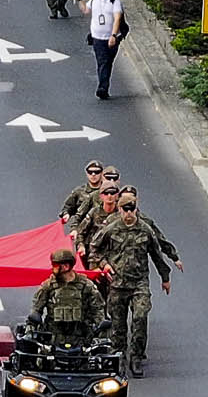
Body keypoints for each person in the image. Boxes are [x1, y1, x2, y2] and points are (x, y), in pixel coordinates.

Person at [85, 191, 180, 377]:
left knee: (140, 317)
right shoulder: (111, 228)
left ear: (136, 209)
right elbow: (94, 249)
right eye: (126, 209)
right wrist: (104, 265)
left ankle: (136, 357)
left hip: (139, 283)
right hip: (117, 284)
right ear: (120, 209)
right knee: (118, 324)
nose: (129, 213)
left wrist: (165, 277)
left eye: (132, 209)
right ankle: (119, 356)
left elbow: (156, 254)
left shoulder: (145, 230)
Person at [26, 248, 104, 346]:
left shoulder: (86, 285)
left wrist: (100, 332)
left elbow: (97, 310)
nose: (52, 268)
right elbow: (36, 310)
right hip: (53, 340)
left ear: (66, 266)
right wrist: (30, 329)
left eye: (55, 265)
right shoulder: (48, 285)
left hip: (81, 340)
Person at [79, 0, 124, 100]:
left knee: (107, 62)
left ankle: (103, 86)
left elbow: (117, 19)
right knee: (102, 61)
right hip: (97, 37)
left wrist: (113, 35)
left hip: (111, 38)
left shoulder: (114, 0)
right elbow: (86, 10)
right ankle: (103, 88)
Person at [59, 161, 104, 226]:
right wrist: (66, 214)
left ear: (102, 173)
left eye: (97, 172)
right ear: (87, 173)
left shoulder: (108, 192)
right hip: (81, 228)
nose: (93, 174)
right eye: (90, 172)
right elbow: (67, 207)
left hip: (101, 228)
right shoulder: (79, 191)